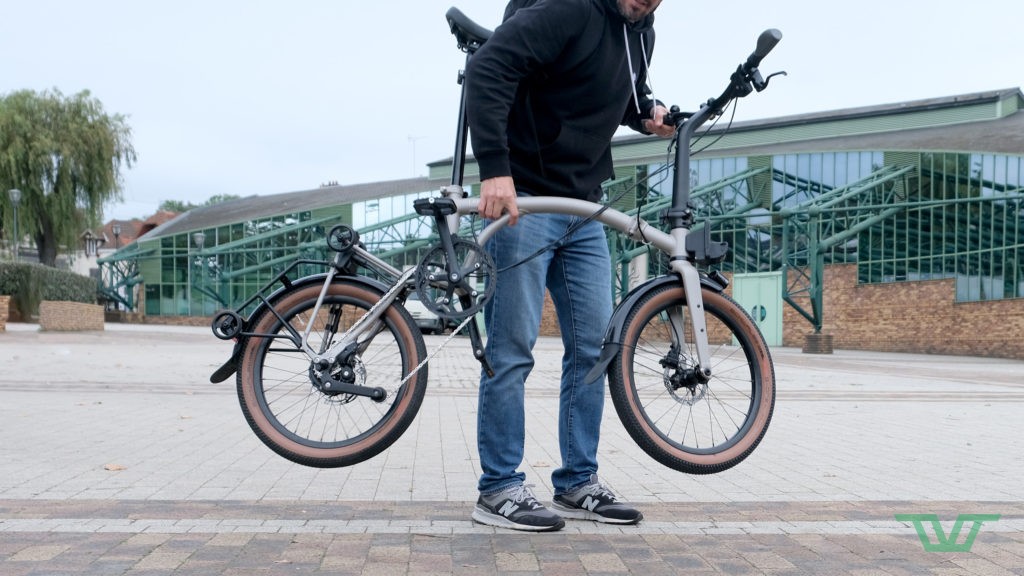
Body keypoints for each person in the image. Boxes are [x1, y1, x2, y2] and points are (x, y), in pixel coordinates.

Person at [464, 0, 673, 531]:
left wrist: (647, 114)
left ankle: (578, 482)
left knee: (594, 351)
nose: (645, 3)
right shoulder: (569, 8)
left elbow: (616, 91)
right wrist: (494, 169)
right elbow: (489, 66)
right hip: (524, 201)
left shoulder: (640, 30)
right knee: (513, 347)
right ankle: (499, 489)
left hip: (583, 207)